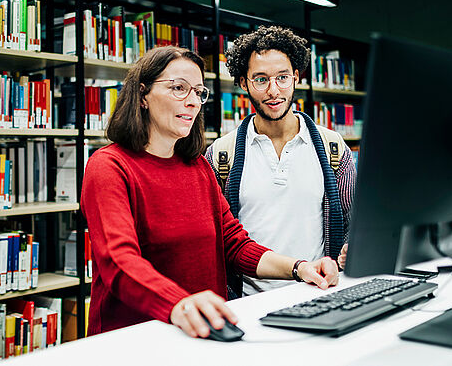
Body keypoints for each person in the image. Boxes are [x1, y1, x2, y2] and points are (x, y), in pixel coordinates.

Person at [81, 46, 339, 339]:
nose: (192, 102)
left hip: (205, 332)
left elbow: (235, 245)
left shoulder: (198, 167)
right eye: (179, 88)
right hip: (138, 339)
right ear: (142, 95)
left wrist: (299, 267)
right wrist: (179, 304)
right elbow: (118, 261)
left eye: (198, 92)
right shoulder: (109, 166)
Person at [206, 26, 356, 296]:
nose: (274, 91)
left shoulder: (333, 148)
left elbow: (352, 221)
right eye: (261, 79)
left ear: (296, 77)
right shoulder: (220, 155)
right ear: (243, 83)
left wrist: (350, 248)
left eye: (283, 77)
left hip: (317, 290)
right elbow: (219, 239)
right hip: (246, 300)